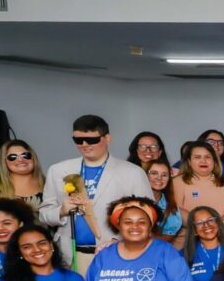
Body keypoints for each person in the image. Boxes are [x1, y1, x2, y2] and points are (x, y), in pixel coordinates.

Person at [39, 115, 152, 272]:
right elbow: (44, 215)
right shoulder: (58, 170)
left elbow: (149, 215)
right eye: (78, 140)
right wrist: (61, 211)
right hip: (69, 254)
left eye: (91, 140)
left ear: (107, 138)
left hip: (116, 251)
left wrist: (120, 241)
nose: (84, 145)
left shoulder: (132, 172)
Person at [173, 141, 224, 242]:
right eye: (197, 157)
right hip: (190, 240)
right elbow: (177, 210)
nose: (203, 161)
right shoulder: (178, 182)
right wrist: (203, 226)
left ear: (214, 161)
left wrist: (219, 223)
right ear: (189, 161)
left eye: (208, 157)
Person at [146, 160, 183, 242]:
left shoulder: (169, 205)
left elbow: (168, 236)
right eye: (154, 173)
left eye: (164, 175)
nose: (159, 178)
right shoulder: (133, 200)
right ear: (145, 175)